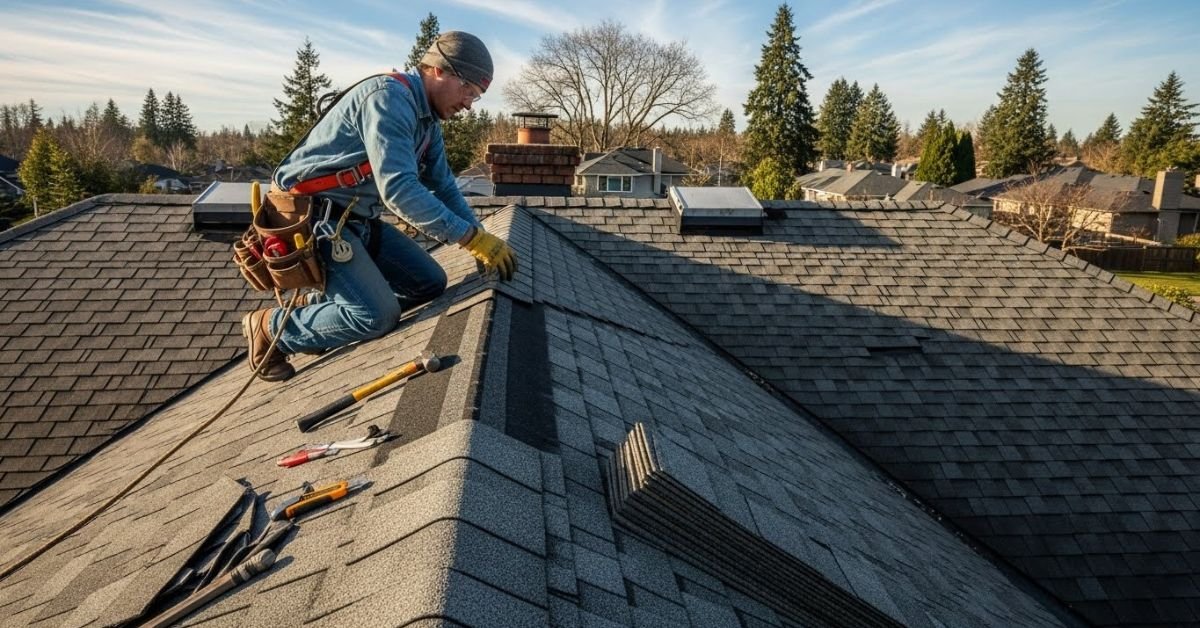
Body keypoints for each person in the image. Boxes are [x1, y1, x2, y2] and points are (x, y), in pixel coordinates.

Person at [243, 31, 516, 382]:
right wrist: (471, 239)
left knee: (429, 283)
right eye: (469, 90)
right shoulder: (388, 99)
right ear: (438, 71)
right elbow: (399, 190)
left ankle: (318, 312)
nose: (468, 104)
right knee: (375, 316)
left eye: (476, 97)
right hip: (314, 221)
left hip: (356, 220)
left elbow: (444, 186)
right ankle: (272, 328)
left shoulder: (427, 123)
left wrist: (480, 238)